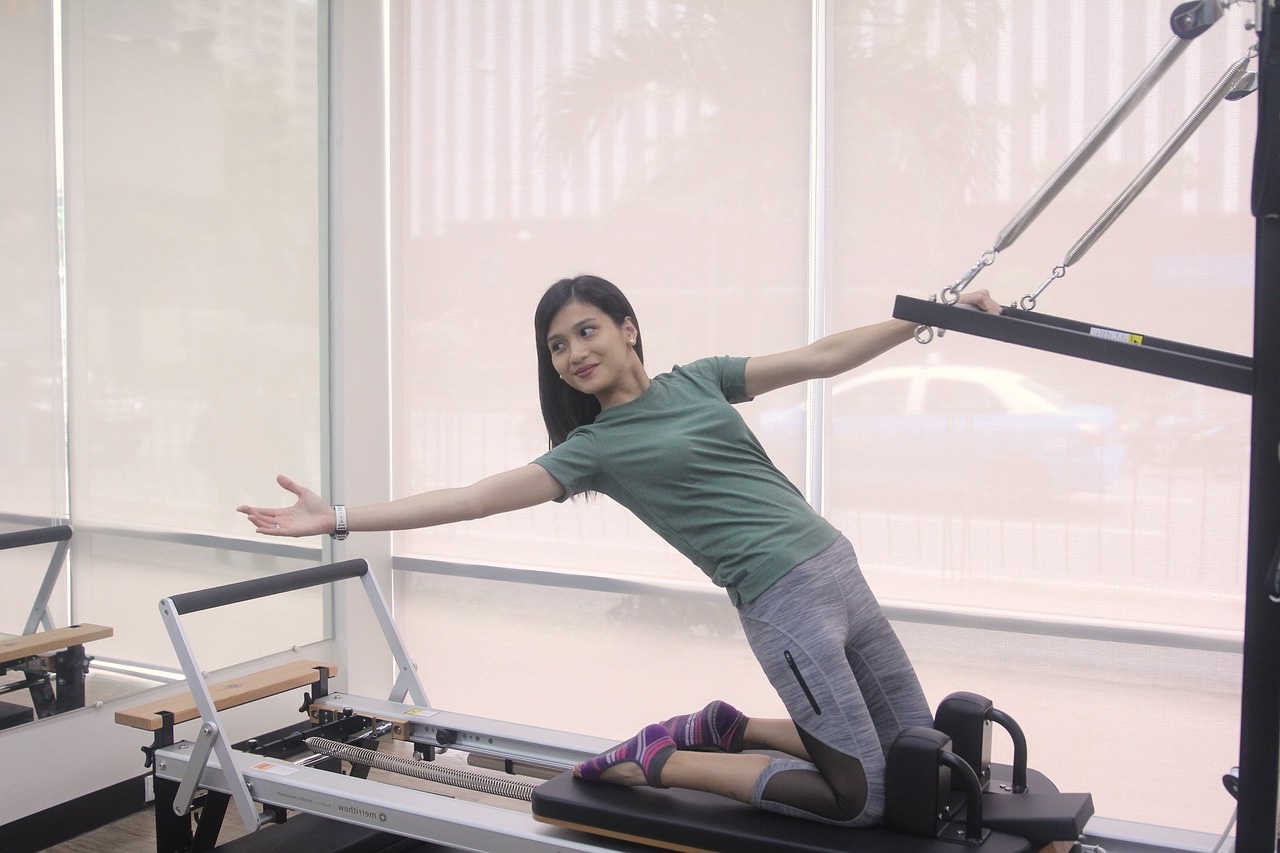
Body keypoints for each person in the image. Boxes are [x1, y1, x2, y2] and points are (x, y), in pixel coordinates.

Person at [238, 274, 1002, 827]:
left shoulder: (700, 380)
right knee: (863, 798)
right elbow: (471, 497)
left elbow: (823, 355)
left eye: (585, 330)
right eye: (557, 346)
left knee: (916, 756)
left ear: (627, 326)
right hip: (784, 605)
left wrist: (932, 315)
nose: (572, 352)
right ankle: (664, 758)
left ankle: (730, 726)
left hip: (841, 570)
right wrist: (337, 515)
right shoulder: (592, 448)